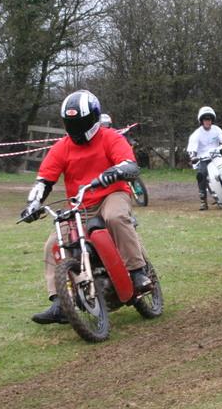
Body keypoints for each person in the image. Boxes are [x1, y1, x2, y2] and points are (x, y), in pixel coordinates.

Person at [21, 90, 152, 325]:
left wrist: (114, 173)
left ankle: (137, 271)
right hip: (81, 205)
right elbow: (44, 180)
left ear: (93, 118)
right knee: (53, 243)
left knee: (115, 217)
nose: (77, 128)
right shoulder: (61, 147)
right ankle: (60, 302)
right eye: (72, 123)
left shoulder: (110, 137)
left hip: (112, 194)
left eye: (80, 122)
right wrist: (33, 204)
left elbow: (130, 165)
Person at [186, 106, 222, 210]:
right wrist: (193, 157)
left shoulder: (216, 129)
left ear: (212, 120)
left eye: (209, 119)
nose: (207, 121)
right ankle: (203, 201)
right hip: (203, 159)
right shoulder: (196, 134)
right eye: (205, 119)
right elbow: (192, 149)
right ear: (201, 121)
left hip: (216, 156)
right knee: (201, 175)